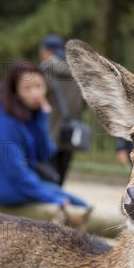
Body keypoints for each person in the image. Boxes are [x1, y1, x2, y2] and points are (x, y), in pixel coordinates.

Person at [0, 61, 88, 208]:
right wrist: (49, 197)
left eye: (39, 86)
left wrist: (42, 118)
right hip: (11, 190)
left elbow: (45, 153)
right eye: (27, 88)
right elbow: (15, 171)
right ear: (15, 91)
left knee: (81, 205)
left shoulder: (31, 114)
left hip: (28, 185)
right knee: (78, 207)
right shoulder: (4, 121)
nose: (35, 93)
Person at [39, 34, 86, 185]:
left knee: (45, 174)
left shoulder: (45, 70)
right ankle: (59, 203)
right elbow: (84, 102)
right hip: (70, 130)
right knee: (61, 173)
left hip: (48, 129)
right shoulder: (78, 73)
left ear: (46, 50)